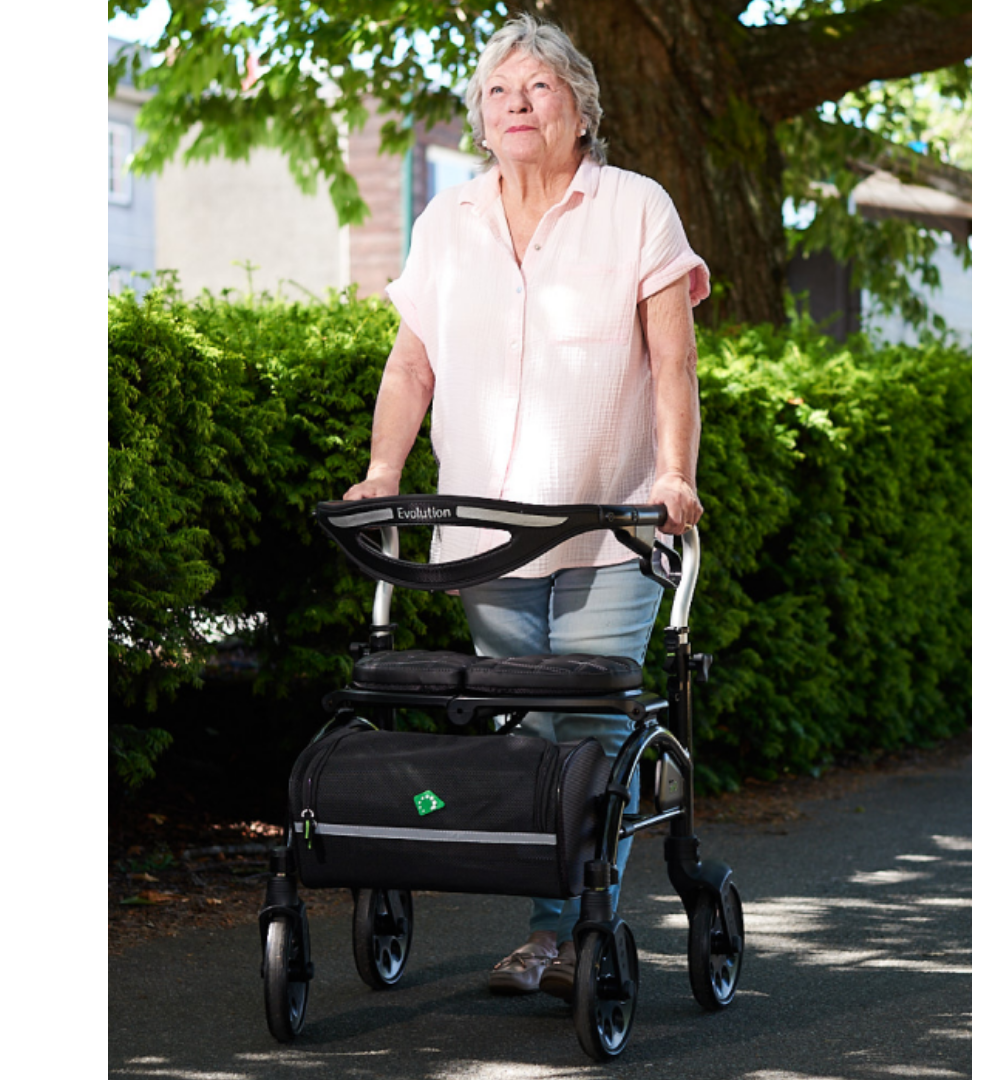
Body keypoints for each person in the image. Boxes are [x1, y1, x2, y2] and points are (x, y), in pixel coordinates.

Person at [344, 14, 709, 999]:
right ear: (480, 115)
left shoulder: (636, 208)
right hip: (487, 539)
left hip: (611, 528)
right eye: (499, 91)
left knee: (588, 729)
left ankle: (570, 930)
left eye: (538, 88)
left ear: (580, 107)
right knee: (522, 734)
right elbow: (412, 360)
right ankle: (555, 920)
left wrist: (675, 474)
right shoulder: (446, 220)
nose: (517, 105)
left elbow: (673, 358)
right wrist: (384, 472)